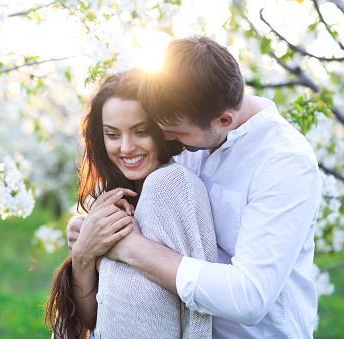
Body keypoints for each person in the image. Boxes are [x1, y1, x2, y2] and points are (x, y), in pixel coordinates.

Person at [67, 35, 321, 338]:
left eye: (176, 133)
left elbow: (249, 297)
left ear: (223, 120)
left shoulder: (284, 162)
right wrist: (89, 240)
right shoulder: (191, 132)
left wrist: (127, 246)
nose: (170, 141)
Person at [45, 68, 217, 339]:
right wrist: (83, 256)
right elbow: (93, 318)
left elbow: (199, 307)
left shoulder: (171, 186)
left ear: (163, 130)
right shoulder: (109, 196)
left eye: (141, 131)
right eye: (112, 135)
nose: (125, 148)